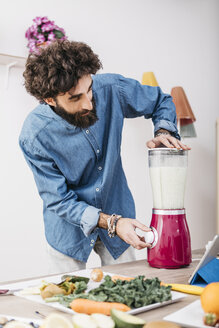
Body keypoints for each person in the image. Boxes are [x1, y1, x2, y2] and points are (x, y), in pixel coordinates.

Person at [19, 40, 190, 274]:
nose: (89, 103)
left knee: (131, 292)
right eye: (75, 98)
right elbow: (58, 200)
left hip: (119, 212)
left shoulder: (110, 88)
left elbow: (161, 100)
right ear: (50, 99)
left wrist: (163, 132)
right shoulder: (34, 135)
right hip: (67, 231)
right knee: (66, 301)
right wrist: (112, 223)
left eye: (89, 89)